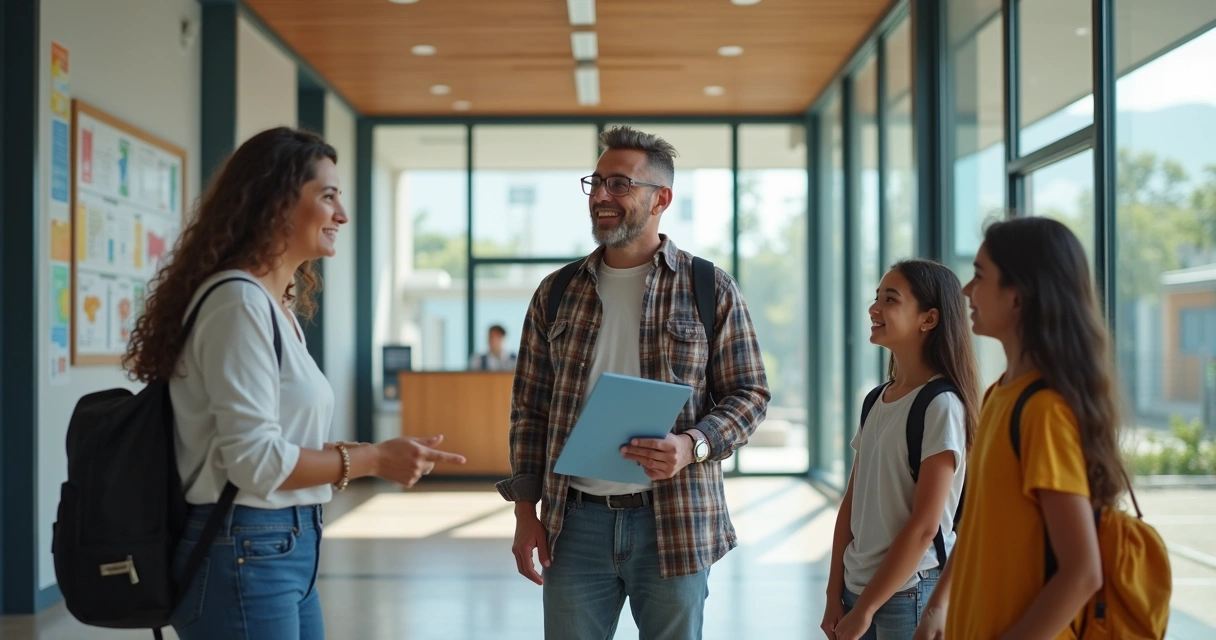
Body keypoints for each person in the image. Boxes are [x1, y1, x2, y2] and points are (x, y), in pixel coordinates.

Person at [122, 127, 466, 640]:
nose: (342, 215)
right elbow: (255, 462)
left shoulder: (274, 307)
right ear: (276, 202)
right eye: (328, 196)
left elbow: (277, 445)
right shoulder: (238, 304)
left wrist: (369, 452)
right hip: (246, 547)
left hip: (281, 545)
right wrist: (373, 461)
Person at [497, 126, 770, 639]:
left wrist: (693, 445)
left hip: (675, 520)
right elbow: (529, 409)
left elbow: (750, 393)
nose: (601, 195)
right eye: (596, 182)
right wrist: (524, 511)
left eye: (620, 184)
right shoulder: (556, 292)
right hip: (574, 524)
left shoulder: (708, 287)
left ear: (660, 199)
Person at [913, 217, 1123, 640]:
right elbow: (977, 524)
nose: (966, 291)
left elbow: (1082, 572)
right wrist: (938, 605)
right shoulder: (998, 395)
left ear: (1018, 297)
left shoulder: (1043, 412)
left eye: (979, 276)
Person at [821, 260, 979, 640]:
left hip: (908, 594)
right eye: (876, 297)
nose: (873, 308)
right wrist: (833, 593)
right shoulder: (877, 399)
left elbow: (925, 527)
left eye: (890, 299)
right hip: (857, 589)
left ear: (929, 319)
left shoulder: (942, 406)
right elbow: (852, 503)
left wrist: (867, 608)